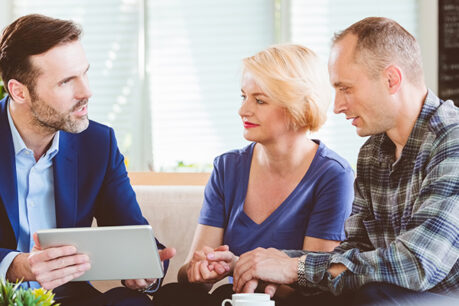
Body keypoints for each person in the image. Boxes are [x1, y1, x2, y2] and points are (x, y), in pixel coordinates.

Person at [221, 17, 459, 305]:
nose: (336, 106)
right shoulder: (373, 153)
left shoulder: (452, 140)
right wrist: (278, 264)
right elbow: (353, 255)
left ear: (391, 80)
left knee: (368, 297)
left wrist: (294, 268)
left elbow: (418, 264)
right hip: (389, 295)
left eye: (345, 88)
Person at [154, 44, 355, 305]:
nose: (243, 110)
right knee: (175, 295)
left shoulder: (333, 175)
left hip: (289, 302)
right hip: (236, 299)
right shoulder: (227, 168)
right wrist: (202, 271)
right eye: (243, 97)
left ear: (298, 107)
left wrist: (241, 267)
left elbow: (316, 286)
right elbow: (189, 273)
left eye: (259, 100)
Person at [0, 14, 175, 305]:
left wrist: (145, 270)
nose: (86, 92)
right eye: (66, 82)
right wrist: (15, 266)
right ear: (19, 91)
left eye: (84, 73)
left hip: (67, 299)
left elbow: (132, 232)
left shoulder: (98, 144)